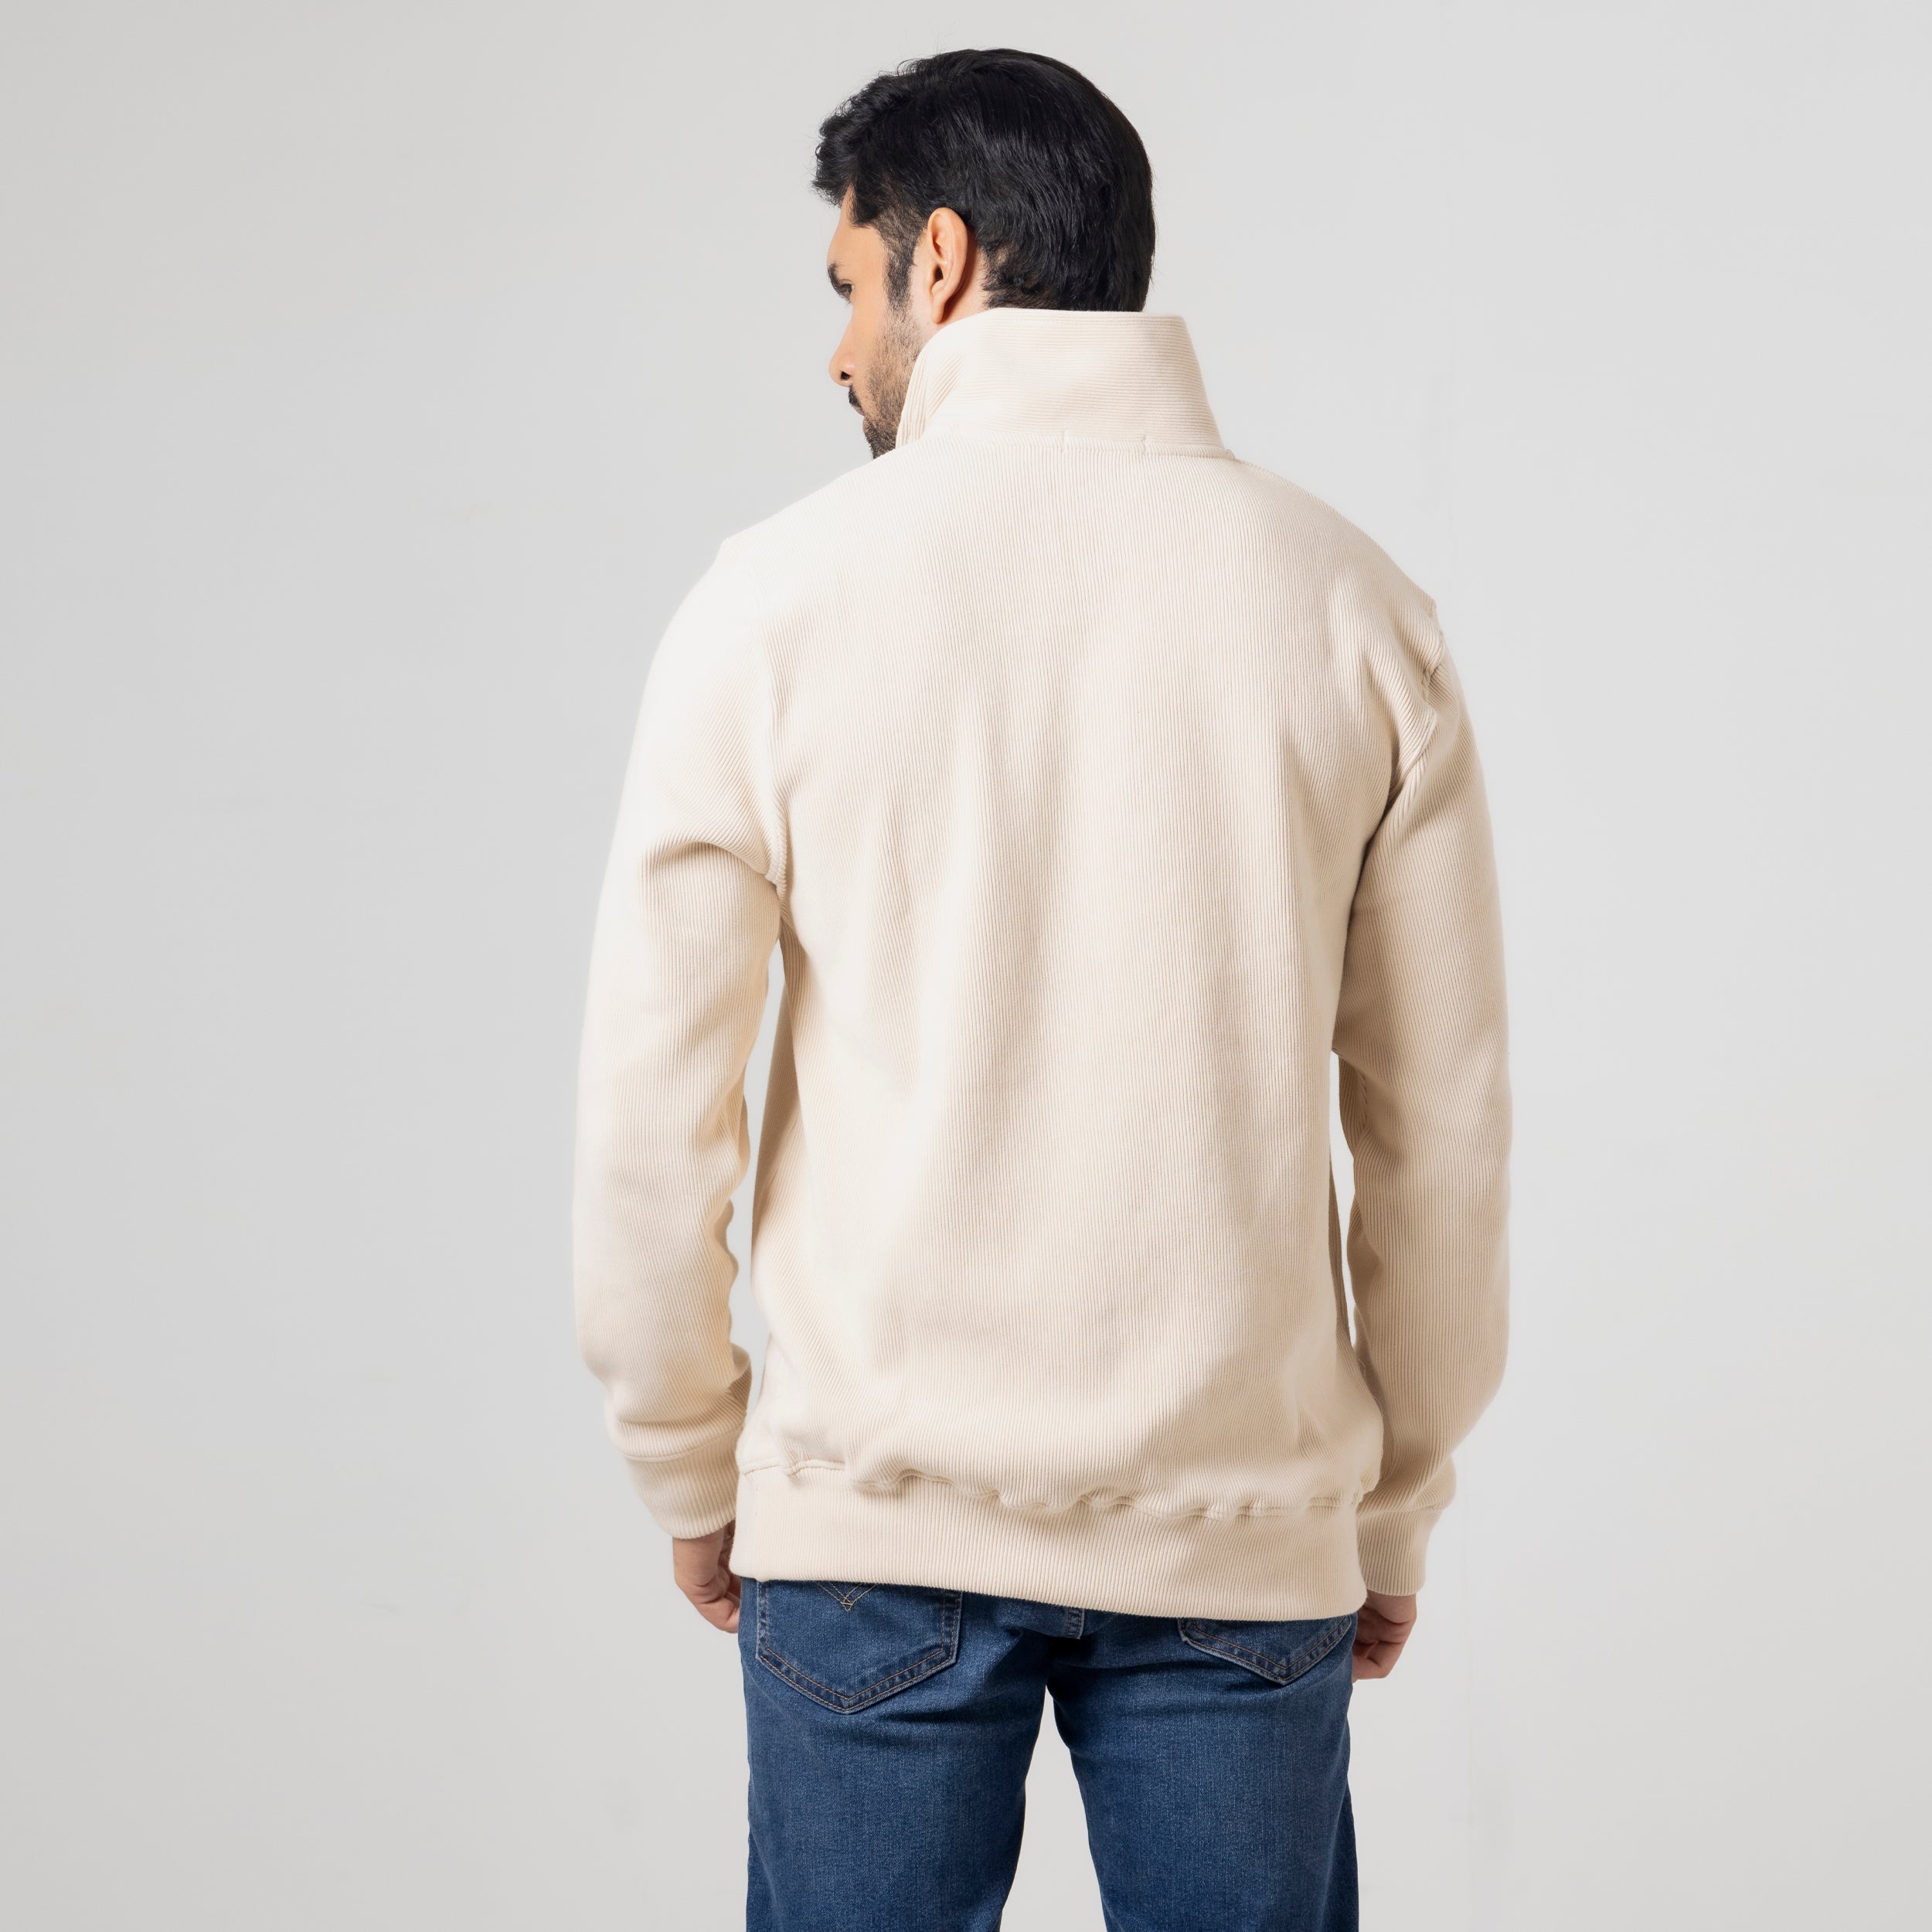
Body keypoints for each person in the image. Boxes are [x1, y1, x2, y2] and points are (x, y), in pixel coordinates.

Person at [572, 46, 1509, 1932]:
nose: (837, 353)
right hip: (1241, 1534)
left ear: (939, 262)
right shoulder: (1351, 609)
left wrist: (688, 1449)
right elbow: (1436, 1137)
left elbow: (651, 1113)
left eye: (847, 286)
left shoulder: (771, 604)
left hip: (869, 1529)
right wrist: (1389, 1495)